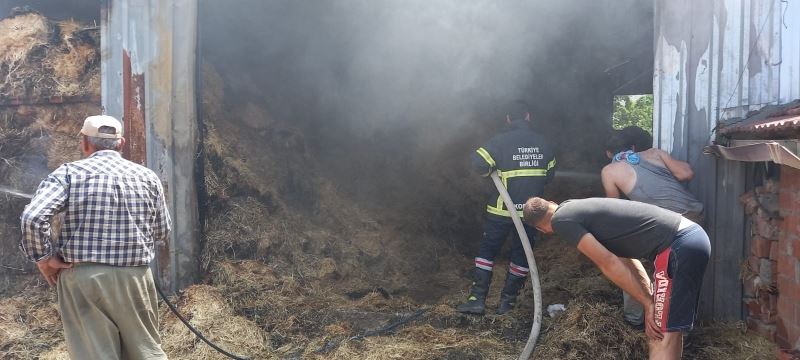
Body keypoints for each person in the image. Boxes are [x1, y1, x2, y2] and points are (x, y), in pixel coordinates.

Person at [20, 115, 171, 360]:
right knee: (146, 353)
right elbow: (162, 232)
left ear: (85, 144)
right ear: (121, 144)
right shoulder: (148, 177)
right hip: (135, 279)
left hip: (83, 278)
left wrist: (44, 258)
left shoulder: (69, 173)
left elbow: (33, 218)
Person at [523, 197, 710, 360]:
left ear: (541, 229)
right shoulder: (574, 208)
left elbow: (608, 263)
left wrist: (647, 304)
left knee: (658, 335)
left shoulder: (560, 221)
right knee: (670, 331)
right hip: (690, 238)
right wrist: (649, 301)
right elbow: (627, 258)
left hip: (677, 246)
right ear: (552, 203)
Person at [456, 100, 556, 315]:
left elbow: (477, 161)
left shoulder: (500, 141)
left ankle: (477, 300)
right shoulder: (544, 143)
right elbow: (549, 176)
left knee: (487, 251)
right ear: (528, 116)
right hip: (532, 214)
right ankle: (508, 304)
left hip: (501, 211)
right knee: (523, 254)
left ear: (508, 119)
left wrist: (490, 171)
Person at [602, 127, 704, 328]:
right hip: (695, 217)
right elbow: (686, 173)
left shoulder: (609, 171)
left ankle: (634, 319)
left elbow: (614, 210)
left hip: (666, 225)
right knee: (679, 273)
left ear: (608, 154)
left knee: (626, 257)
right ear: (633, 146)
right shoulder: (655, 153)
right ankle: (681, 323)